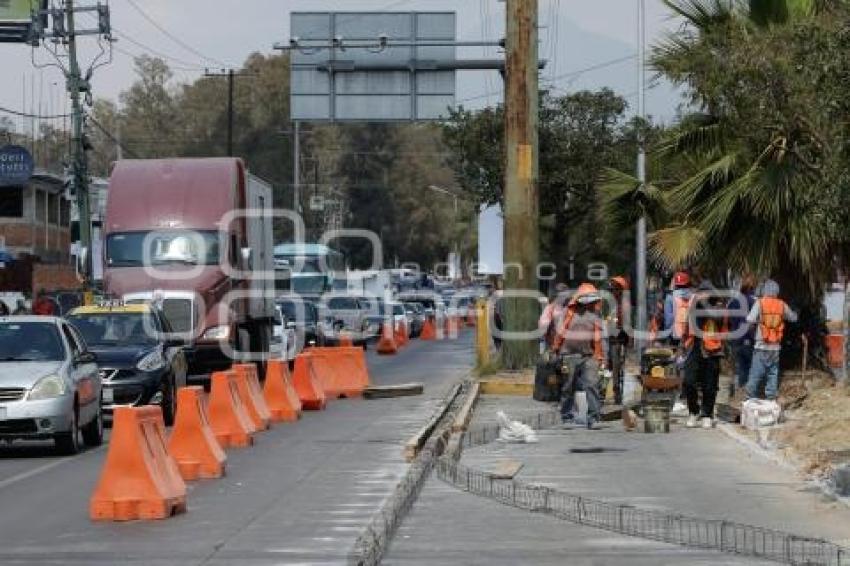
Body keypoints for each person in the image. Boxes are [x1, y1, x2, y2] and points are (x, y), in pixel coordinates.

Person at [552, 283, 608, 429]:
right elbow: (559, 333)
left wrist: (602, 358)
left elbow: (600, 338)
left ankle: (593, 418)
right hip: (569, 355)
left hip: (589, 356)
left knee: (592, 386)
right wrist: (555, 350)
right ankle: (567, 417)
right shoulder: (568, 313)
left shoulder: (596, 315)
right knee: (568, 387)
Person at [681, 280, 727, 429]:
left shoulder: (718, 307)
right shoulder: (693, 305)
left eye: (705, 293)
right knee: (689, 381)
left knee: (710, 385)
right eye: (700, 293)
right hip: (694, 346)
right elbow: (686, 324)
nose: (702, 295)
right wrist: (682, 345)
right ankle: (693, 412)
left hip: (712, 348)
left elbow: (719, 320)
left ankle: (707, 414)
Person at [745, 279, 797, 401]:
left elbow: (750, 320)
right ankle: (770, 399)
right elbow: (793, 318)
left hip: (761, 345)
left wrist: (752, 334)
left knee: (755, 374)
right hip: (775, 347)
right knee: (772, 374)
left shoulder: (760, 303)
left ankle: (749, 399)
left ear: (764, 290)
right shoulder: (781, 304)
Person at [727, 276, 756, 396]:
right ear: (751, 288)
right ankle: (744, 392)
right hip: (747, 338)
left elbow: (728, 320)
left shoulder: (733, 302)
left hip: (734, 337)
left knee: (736, 365)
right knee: (747, 366)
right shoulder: (753, 302)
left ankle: (734, 388)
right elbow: (752, 323)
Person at [664, 271, 694, 345]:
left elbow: (669, 319)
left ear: (675, 284)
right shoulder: (694, 296)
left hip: (676, 334)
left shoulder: (670, 297)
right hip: (692, 334)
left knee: (675, 353)